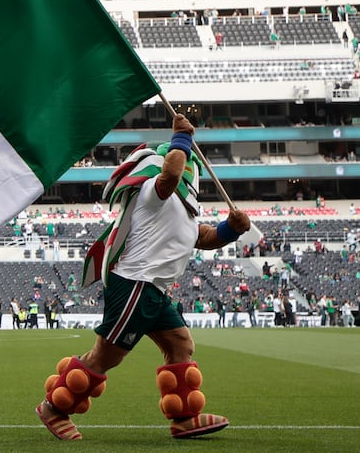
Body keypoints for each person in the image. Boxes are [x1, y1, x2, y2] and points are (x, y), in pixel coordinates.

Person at [36, 114, 251, 441]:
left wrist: (231, 230)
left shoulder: (184, 209)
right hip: (135, 283)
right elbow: (169, 177)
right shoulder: (152, 190)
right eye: (186, 164)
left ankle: (183, 418)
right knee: (105, 357)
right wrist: (181, 139)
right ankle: (54, 408)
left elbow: (204, 238)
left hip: (154, 290)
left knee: (181, 345)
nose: (190, 172)